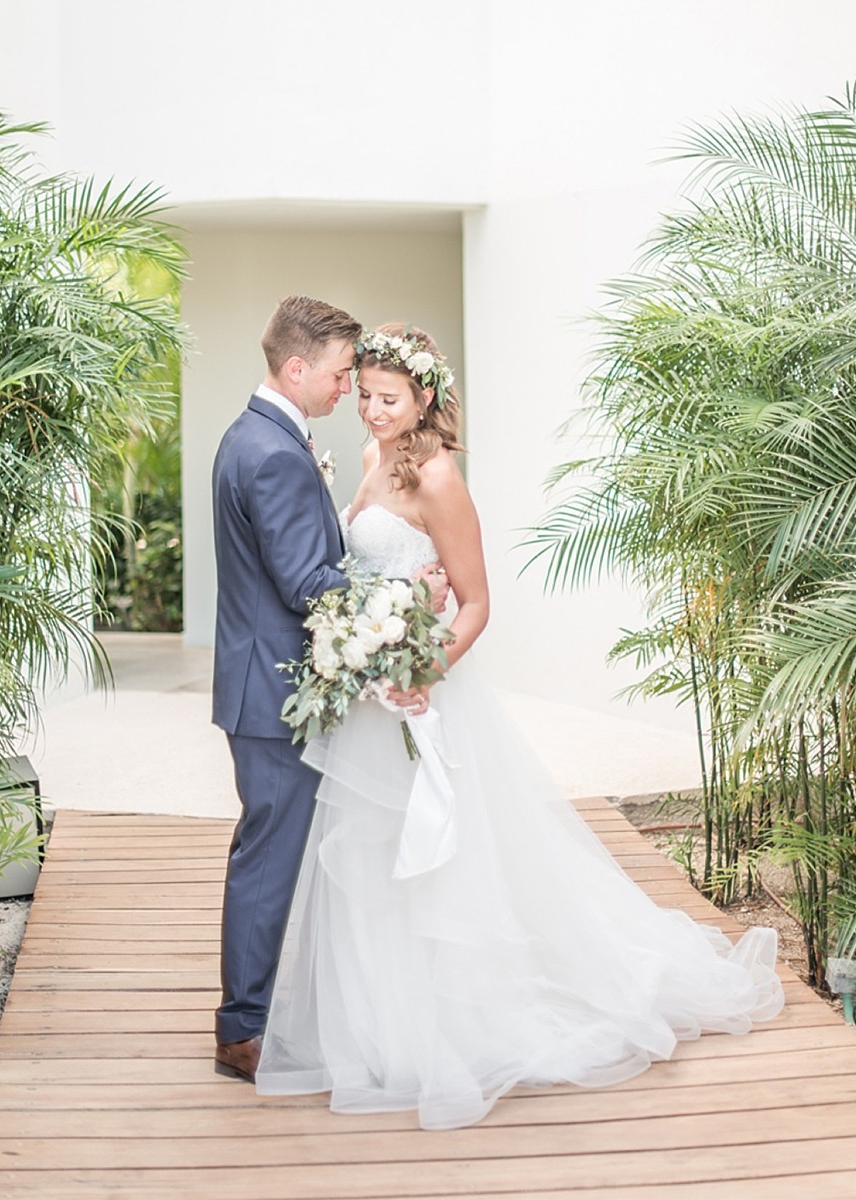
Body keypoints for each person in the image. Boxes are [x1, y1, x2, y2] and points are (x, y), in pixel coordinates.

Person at [254, 322, 785, 1130]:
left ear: (424, 396)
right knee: (366, 861)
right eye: (363, 395)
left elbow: (476, 604)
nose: (370, 412)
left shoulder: (438, 479)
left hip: (420, 699)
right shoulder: (367, 460)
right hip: (369, 696)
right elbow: (357, 568)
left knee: (434, 865)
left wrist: (422, 670)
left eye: (387, 398)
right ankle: (375, 1034)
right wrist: (368, 642)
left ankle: (452, 1028)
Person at [211, 298, 449, 1085]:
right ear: (296, 369)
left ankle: (270, 1014)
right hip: (274, 690)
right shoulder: (276, 452)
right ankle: (244, 1030)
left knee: (283, 853)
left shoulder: (258, 435)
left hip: (271, 683)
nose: (351, 388)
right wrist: (403, 595)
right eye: (344, 374)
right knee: (271, 858)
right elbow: (309, 583)